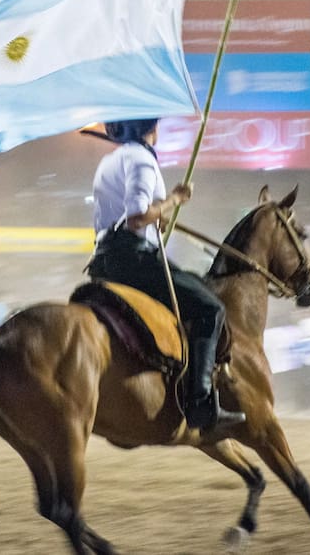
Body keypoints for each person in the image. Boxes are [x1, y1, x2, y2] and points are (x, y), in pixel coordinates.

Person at [85, 118, 244, 432]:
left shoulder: (110, 161)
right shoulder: (142, 160)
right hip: (132, 258)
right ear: (149, 130)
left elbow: (130, 217)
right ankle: (200, 402)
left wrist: (159, 217)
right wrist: (174, 199)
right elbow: (136, 218)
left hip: (104, 259)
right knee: (211, 309)